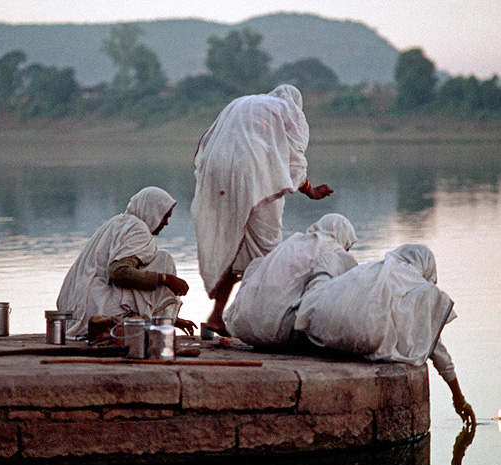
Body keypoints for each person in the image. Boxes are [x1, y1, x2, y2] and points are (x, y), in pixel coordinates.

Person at [191, 84, 333, 336]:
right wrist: (310, 190)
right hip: (252, 171)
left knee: (233, 244)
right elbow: (294, 158)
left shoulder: (243, 101)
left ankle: (216, 317)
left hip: (215, 168)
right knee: (267, 250)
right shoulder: (289, 110)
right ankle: (256, 319)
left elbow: (210, 136)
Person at [293, 244, 476, 425]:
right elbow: (438, 353)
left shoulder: (371, 269)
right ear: (426, 267)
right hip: (364, 340)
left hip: (320, 330)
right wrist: (458, 399)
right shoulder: (416, 288)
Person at [56, 187, 195, 339]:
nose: (166, 223)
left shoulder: (119, 222)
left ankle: (158, 322)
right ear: (152, 212)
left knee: (156, 262)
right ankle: (155, 328)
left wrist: (174, 320)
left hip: (78, 309)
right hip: (94, 309)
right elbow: (118, 273)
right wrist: (166, 279)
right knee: (164, 259)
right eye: (165, 217)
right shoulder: (138, 230)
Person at [223, 213, 358, 348]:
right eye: (348, 246)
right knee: (331, 262)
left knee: (258, 263)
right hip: (283, 333)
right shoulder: (333, 250)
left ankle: (239, 318)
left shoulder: (293, 241)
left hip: (243, 329)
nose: (347, 250)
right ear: (342, 236)